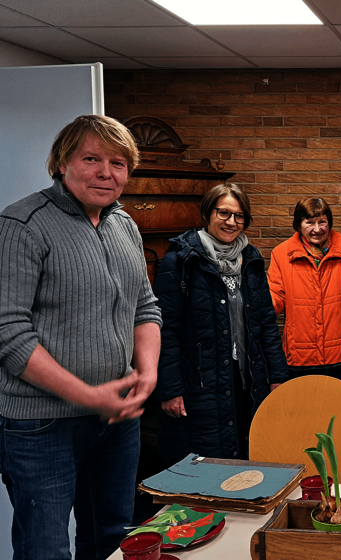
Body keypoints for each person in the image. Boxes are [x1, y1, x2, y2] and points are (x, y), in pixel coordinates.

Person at [0, 115, 161, 560]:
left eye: (118, 163)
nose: (106, 173)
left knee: (111, 540)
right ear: (62, 163)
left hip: (117, 421)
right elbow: (9, 333)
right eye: (92, 159)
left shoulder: (124, 224)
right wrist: (88, 396)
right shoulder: (22, 224)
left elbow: (145, 308)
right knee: (45, 550)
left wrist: (147, 372)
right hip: (42, 426)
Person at [155, 184, 288, 465]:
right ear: (208, 213)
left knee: (250, 461)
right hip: (201, 386)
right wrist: (170, 389)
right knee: (207, 466)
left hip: (248, 384)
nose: (231, 222)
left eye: (239, 216)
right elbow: (165, 331)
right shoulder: (179, 262)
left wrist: (277, 378)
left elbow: (266, 324)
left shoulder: (250, 261)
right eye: (224, 213)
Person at [267, 198, 341, 382]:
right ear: (298, 224)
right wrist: (257, 307)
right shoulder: (281, 254)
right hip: (300, 357)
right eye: (310, 222)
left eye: (322, 222)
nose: (317, 229)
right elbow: (275, 296)